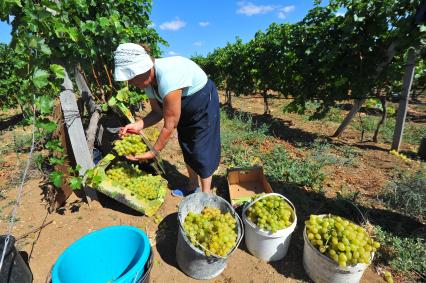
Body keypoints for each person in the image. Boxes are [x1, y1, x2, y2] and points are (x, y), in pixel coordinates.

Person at [113, 43, 221, 196]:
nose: (130, 83)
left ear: (145, 67)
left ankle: (205, 195)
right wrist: (138, 125)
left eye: (132, 77)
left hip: (201, 100)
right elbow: (157, 112)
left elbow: (170, 124)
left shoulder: (169, 77)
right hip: (181, 103)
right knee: (186, 143)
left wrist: (154, 152)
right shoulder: (148, 82)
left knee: (201, 147)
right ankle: (192, 185)